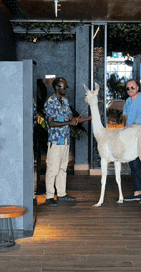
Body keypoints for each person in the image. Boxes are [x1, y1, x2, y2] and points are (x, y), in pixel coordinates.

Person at [44, 77, 91, 206]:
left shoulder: (65, 101)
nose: (66, 89)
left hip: (65, 140)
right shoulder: (50, 102)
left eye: (67, 86)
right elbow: (51, 123)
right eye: (64, 86)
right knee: (52, 169)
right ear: (57, 87)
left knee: (62, 168)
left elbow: (72, 119)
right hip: (55, 141)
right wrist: (68, 122)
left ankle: (61, 194)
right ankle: (49, 196)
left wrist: (88, 118)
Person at [122, 78, 141, 204]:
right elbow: (125, 116)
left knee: (138, 165)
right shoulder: (128, 101)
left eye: (132, 88)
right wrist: (124, 128)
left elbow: (140, 120)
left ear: (137, 88)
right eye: (128, 88)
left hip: (140, 137)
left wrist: (130, 129)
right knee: (132, 165)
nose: (130, 90)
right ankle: (137, 192)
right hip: (130, 137)